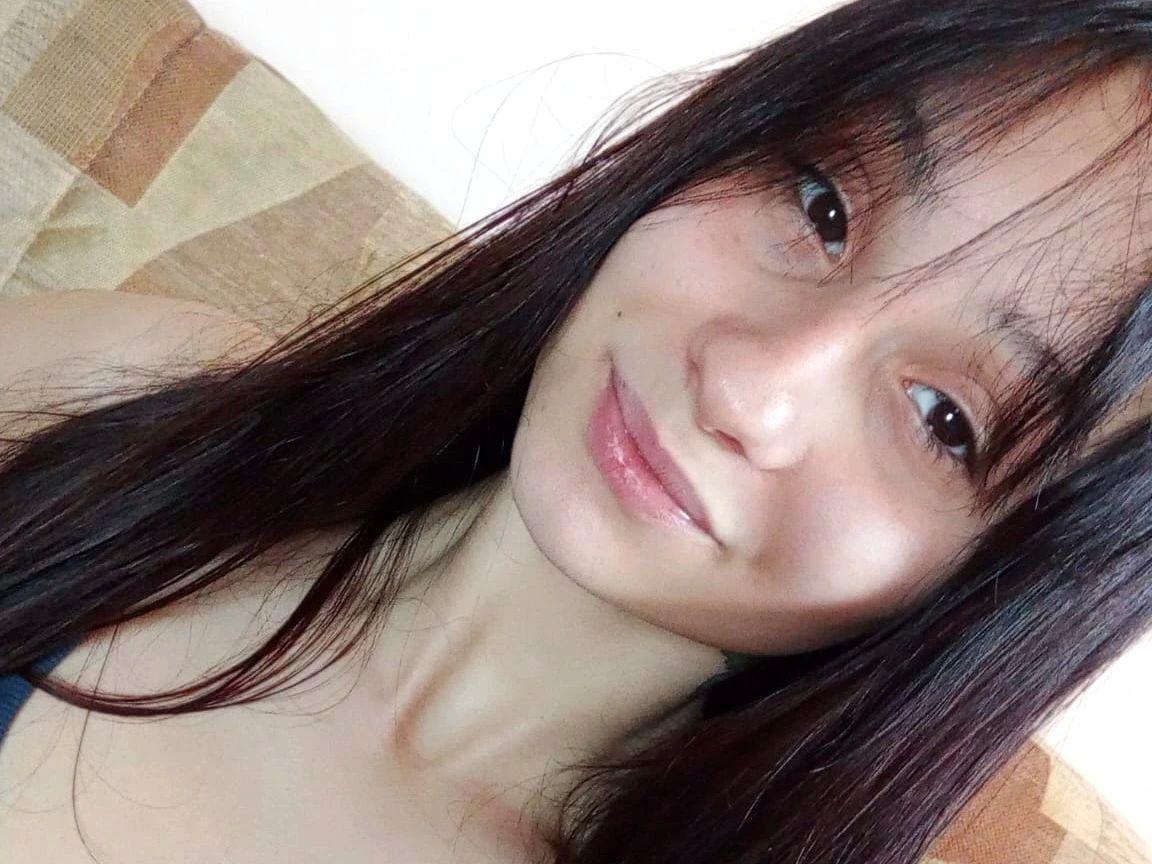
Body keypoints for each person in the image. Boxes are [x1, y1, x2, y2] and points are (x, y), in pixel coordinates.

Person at [1, 0, 1151, 861]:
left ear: (1015, 582)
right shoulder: (120, 386)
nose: (745, 385)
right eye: (824, 205)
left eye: (946, 420)